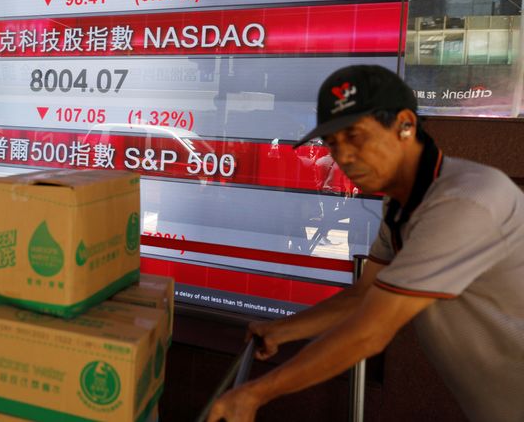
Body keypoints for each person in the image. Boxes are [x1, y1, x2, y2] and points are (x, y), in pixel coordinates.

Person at [208, 65, 524, 422]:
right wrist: (283, 330)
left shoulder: (465, 201)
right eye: (333, 144)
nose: (343, 157)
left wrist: (253, 394)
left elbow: (370, 332)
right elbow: (365, 293)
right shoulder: (402, 202)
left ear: (405, 125)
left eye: (355, 137)